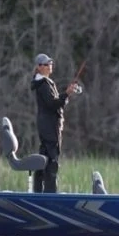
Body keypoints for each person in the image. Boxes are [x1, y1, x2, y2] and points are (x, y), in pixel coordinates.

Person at [30, 53, 81, 193]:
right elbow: (52, 104)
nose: (50, 66)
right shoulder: (42, 84)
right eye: (47, 64)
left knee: (44, 159)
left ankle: (39, 192)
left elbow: (55, 103)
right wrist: (67, 93)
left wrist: (65, 95)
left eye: (50, 64)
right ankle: (50, 194)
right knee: (52, 160)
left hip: (48, 127)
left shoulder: (45, 82)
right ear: (39, 67)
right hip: (49, 128)